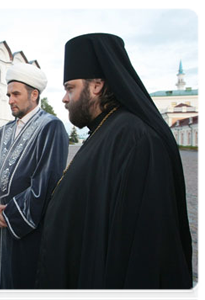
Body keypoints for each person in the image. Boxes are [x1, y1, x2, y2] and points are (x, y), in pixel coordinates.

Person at [35, 33, 196, 299]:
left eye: (70, 88)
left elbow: (143, 254)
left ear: (96, 85)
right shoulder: (105, 130)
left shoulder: (137, 139)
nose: (64, 98)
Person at [0, 63, 69, 300]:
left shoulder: (50, 127)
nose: (10, 100)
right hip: (3, 229)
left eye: (16, 94)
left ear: (34, 94)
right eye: (9, 94)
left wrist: (9, 215)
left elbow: (46, 184)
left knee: (26, 287)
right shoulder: (3, 132)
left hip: (30, 230)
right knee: (6, 285)